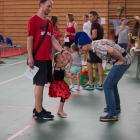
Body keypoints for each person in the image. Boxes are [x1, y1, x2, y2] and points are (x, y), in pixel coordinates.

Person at [27, 0, 70, 120]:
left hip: (47, 57)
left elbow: (52, 40)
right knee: (39, 84)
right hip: (38, 58)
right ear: (41, 5)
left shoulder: (49, 22)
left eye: (51, 7)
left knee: (42, 83)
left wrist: (62, 51)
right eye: (48, 6)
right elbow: (30, 39)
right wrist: (30, 57)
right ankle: (39, 111)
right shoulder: (33, 20)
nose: (50, 9)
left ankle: (38, 108)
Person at [75, 31, 132, 121]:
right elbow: (112, 45)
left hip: (123, 62)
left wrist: (121, 59)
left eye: (81, 47)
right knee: (112, 85)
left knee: (107, 85)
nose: (82, 49)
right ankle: (115, 107)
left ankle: (112, 114)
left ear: (85, 44)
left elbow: (112, 50)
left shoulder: (97, 47)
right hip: (126, 60)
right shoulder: (96, 43)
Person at [49, 52, 77, 117]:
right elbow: (63, 65)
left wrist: (71, 77)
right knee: (64, 95)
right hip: (57, 84)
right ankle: (60, 110)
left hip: (61, 83)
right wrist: (68, 59)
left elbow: (65, 75)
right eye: (61, 57)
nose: (63, 58)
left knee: (64, 96)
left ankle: (60, 110)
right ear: (57, 60)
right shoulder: (58, 64)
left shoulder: (62, 66)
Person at [82, 11, 104, 90]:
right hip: (100, 47)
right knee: (99, 64)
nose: (89, 18)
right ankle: (101, 83)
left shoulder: (94, 24)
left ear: (95, 17)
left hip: (94, 47)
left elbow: (94, 35)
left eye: (90, 16)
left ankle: (91, 84)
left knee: (89, 64)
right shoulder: (99, 24)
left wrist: (86, 40)